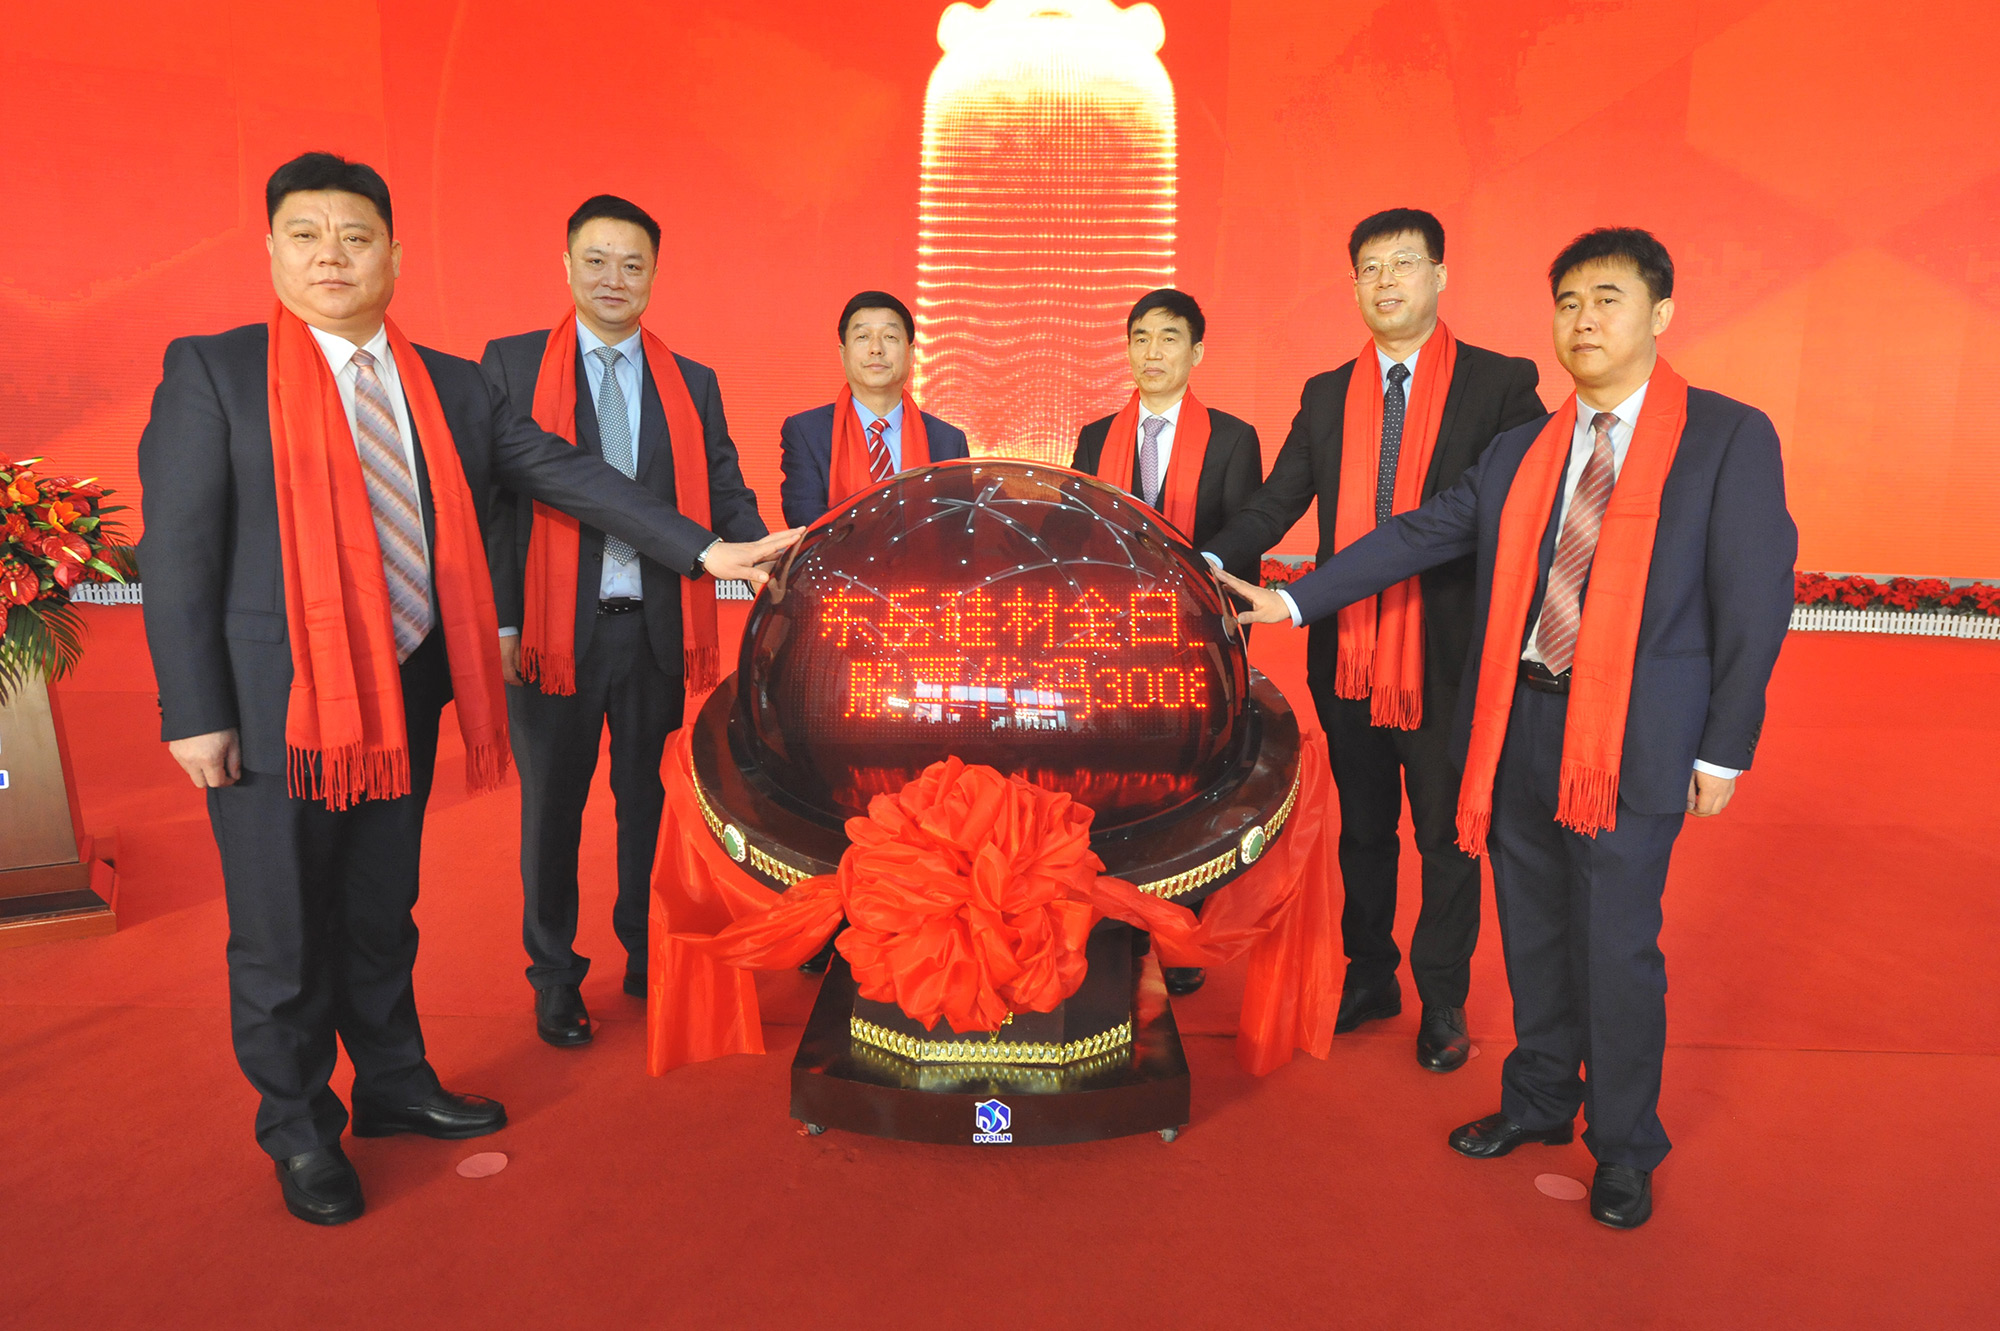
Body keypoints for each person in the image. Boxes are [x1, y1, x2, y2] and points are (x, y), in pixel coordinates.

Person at [137, 153, 799, 1228]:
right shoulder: (216, 372)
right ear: (271, 251)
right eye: (307, 236)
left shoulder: (449, 384)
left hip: (402, 692)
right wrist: (195, 709)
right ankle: (298, 1126)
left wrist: (704, 549)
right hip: (272, 707)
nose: (332, 257)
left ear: (394, 255)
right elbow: (177, 551)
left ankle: (394, 1081)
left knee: (379, 906)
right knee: (280, 928)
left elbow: (570, 473)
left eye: (356, 237)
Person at [1216, 228, 1796, 1228]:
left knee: (1615, 945)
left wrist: (1722, 747)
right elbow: (1420, 531)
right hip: (1517, 719)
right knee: (1531, 925)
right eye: (1567, 303)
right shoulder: (1525, 447)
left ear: (1659, 313)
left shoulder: (1725, 436)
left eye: (1606, 299)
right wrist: (1296, 600)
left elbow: (1755, 597)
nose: (1584, 321)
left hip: (1631, 738)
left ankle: (1625, 1143)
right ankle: (1537, 1097)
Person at [1204, 209, 1545, 1071]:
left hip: (1446, 653)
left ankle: (1443, 997)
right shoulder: (1328, 393)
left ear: (1440, 275)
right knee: (1363, 826)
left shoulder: (1502, 384)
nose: (1386, 281)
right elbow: (1276, 503)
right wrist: (1201, 559)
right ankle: (1370, 972)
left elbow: (1517, 511)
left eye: (1403, 263)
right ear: (1354, 284)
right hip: (1347, 649)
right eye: (1370, 268)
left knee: (1445, 833)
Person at [481, 196, 771, 1048]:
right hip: (551, 637)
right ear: (566, 265)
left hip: (653, 630)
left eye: (632, 264)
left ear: (654, 274)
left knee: (649, 804)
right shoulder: (511, 365)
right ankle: (554, 976)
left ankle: (647, 949)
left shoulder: (693, 382)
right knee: (553, 812)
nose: (614, 278)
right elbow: (494, 507)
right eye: (597, 260)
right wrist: (503, 622)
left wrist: (767, 554)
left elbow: (725, 489)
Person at [1073, 287, 1264, 996]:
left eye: (1169, 338)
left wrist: (1191, 576)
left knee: (1190, 789)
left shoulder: (1234, 438)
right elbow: (1075, 533)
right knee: (1111, 785)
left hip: (1191, 646)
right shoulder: (1095, 436)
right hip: (1109, 645)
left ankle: (1182, 932)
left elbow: (1245, 534)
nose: (1152, 352)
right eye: (1141, 338)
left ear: (1197, 351)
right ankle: (1114, 924)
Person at [778, 291, 969, 528]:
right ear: (843, 354)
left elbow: (958, 529)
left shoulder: (949, 441)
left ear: (910, 354)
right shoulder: (806, 433)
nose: (876, 349)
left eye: (889, 336)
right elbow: (806, 522)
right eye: (863, 336)